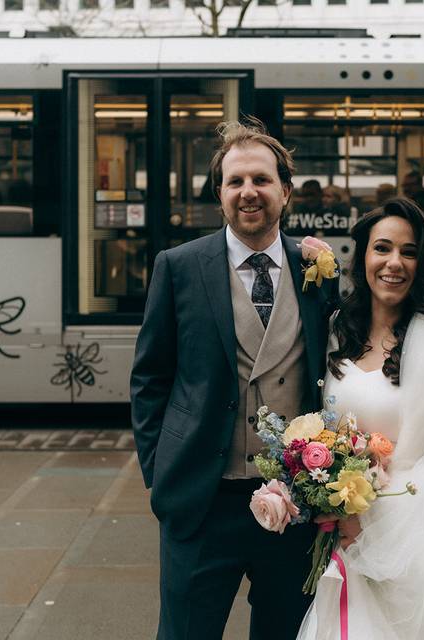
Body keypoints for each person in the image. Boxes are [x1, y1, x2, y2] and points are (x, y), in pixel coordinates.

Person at [130, 118, 339, 640]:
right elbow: (150, 378)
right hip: (202, 502)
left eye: (262, 180)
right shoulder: (178, 267)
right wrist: (160, 473)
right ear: (220, 194)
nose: (249, 192)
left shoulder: (318, 271)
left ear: (285, 191)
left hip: (297, 505)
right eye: (235, 181)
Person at [298, 197, 424, 640]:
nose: (394, 263)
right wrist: (335, 501)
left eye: (409, 252)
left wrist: (376, 513)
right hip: (344, 530)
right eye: (382, 248)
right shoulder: (338, 329)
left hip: (421, 529)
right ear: (364, 257)